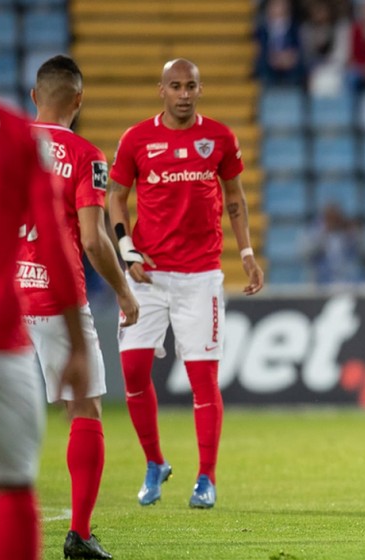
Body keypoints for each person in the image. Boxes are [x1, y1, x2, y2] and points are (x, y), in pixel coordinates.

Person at [0, 3, 89, 560]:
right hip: (0, 328)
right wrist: (78, 339)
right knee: (16, 488)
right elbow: (68, 247)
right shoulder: (13, 132)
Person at [108, 58, 264, 510]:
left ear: (200, 88)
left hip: (200, 276)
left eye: (190, 85)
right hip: (148, 276)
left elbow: (234, 198)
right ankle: (155, 462)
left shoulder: (219, 138)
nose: (183, 93)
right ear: (161, 89)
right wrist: (125, 249)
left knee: (202, 378)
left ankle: (205, 477)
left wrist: (248, 255)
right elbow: (116, 196)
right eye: (175, 86)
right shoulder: (137, 139)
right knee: (134, 371)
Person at [17, 55, 140, 560]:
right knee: (84, 408)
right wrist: (126, 294)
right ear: (80, 100)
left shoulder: (2, 141)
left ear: (33, 97)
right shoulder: (86, 154)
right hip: (54, 298)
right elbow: (92, 241)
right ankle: (80, 534)